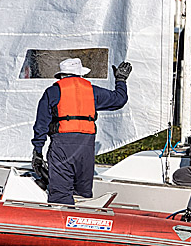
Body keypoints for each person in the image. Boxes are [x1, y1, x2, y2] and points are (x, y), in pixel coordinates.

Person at [31, 57, 132, 204]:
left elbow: (41, 124)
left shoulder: (53, 92)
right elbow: (119, 99)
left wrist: (37, 151)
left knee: (60, 195)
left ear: (61, 75)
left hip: (62, 147)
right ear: (80, 74)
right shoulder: (92, 91)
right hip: (86, 148)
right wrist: (121, 80)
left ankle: (61, 214)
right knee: (82, 194)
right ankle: (82, 214)